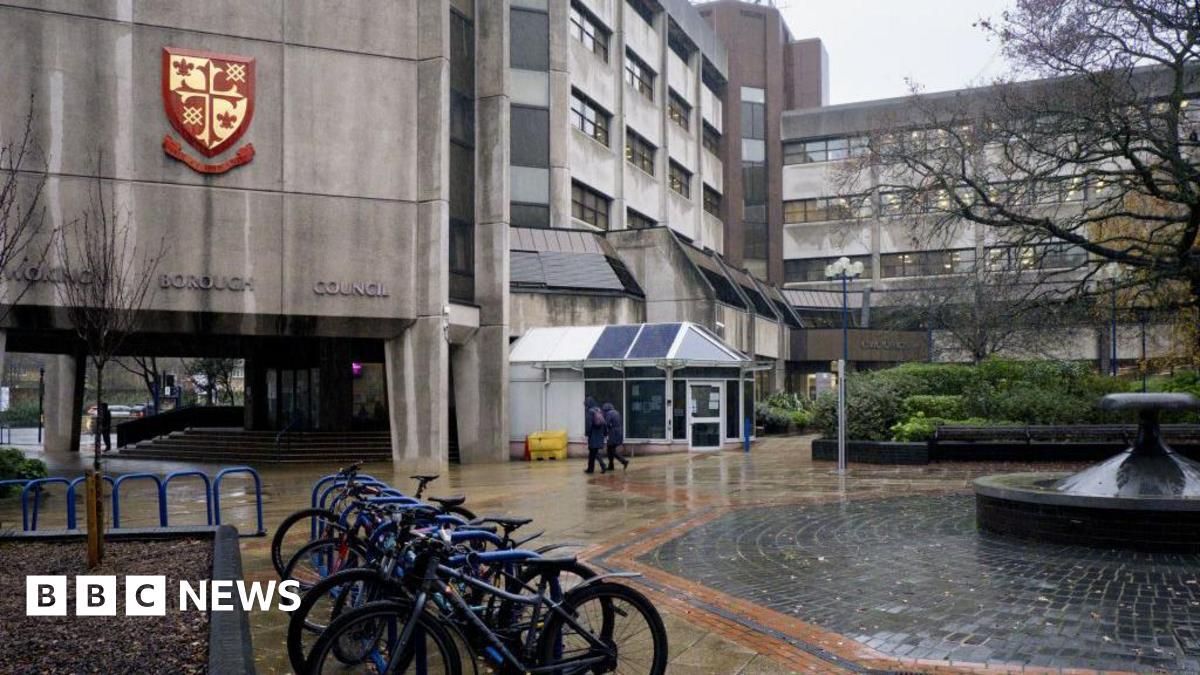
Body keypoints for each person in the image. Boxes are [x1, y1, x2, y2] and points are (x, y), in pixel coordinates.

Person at [584, 396, 607, 474]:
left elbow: (589, 424)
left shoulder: (590, 411)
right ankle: (590, 469)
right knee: (593, 452)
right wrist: (605, 433)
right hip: (599, 434)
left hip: (593, 434)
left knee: (593, 451)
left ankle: (602, 465)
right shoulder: (599, 410)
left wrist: (587, 434)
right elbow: (604, 423)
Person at [603, 402, 628, 471]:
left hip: (613, 433)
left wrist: (605, 432)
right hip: (618, 432)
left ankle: (624, 461)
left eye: (604, 410)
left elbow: (606, 423)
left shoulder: (609, 413)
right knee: (611, 449)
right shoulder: (616, 412)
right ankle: (611, 466)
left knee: (611, 450)